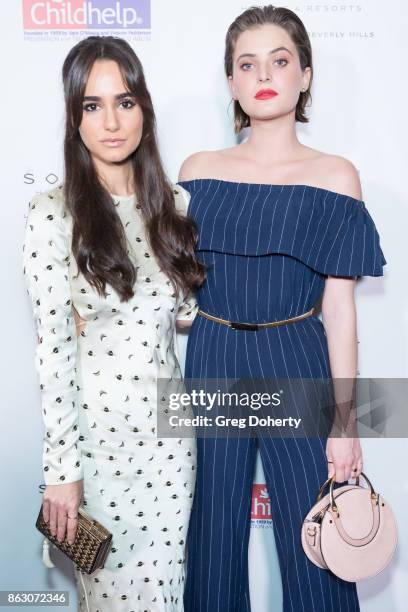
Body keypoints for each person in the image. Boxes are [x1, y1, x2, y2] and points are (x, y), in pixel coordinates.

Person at [177, 5, 386, 612]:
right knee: (213, 533)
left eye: (279, 60)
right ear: (233, 83)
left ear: (306, 74)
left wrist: (346, 422)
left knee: (313, 535)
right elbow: (177, 290)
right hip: (213, 353)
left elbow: (341, 312)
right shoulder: (197, 172)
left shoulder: (335, 176)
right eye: (247, 64)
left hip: (297, 357)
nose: (263, 74)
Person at [23, 35, 204, 611]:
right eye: (92, 105)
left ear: (145, 111)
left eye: (125, 102)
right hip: (99, 456)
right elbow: (53, 353)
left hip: (170, 451)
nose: (111, 121)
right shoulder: (53, 215)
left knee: (166, 599)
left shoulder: (173, 206)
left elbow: (182, 317)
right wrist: (62, 473)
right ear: (75, 116)